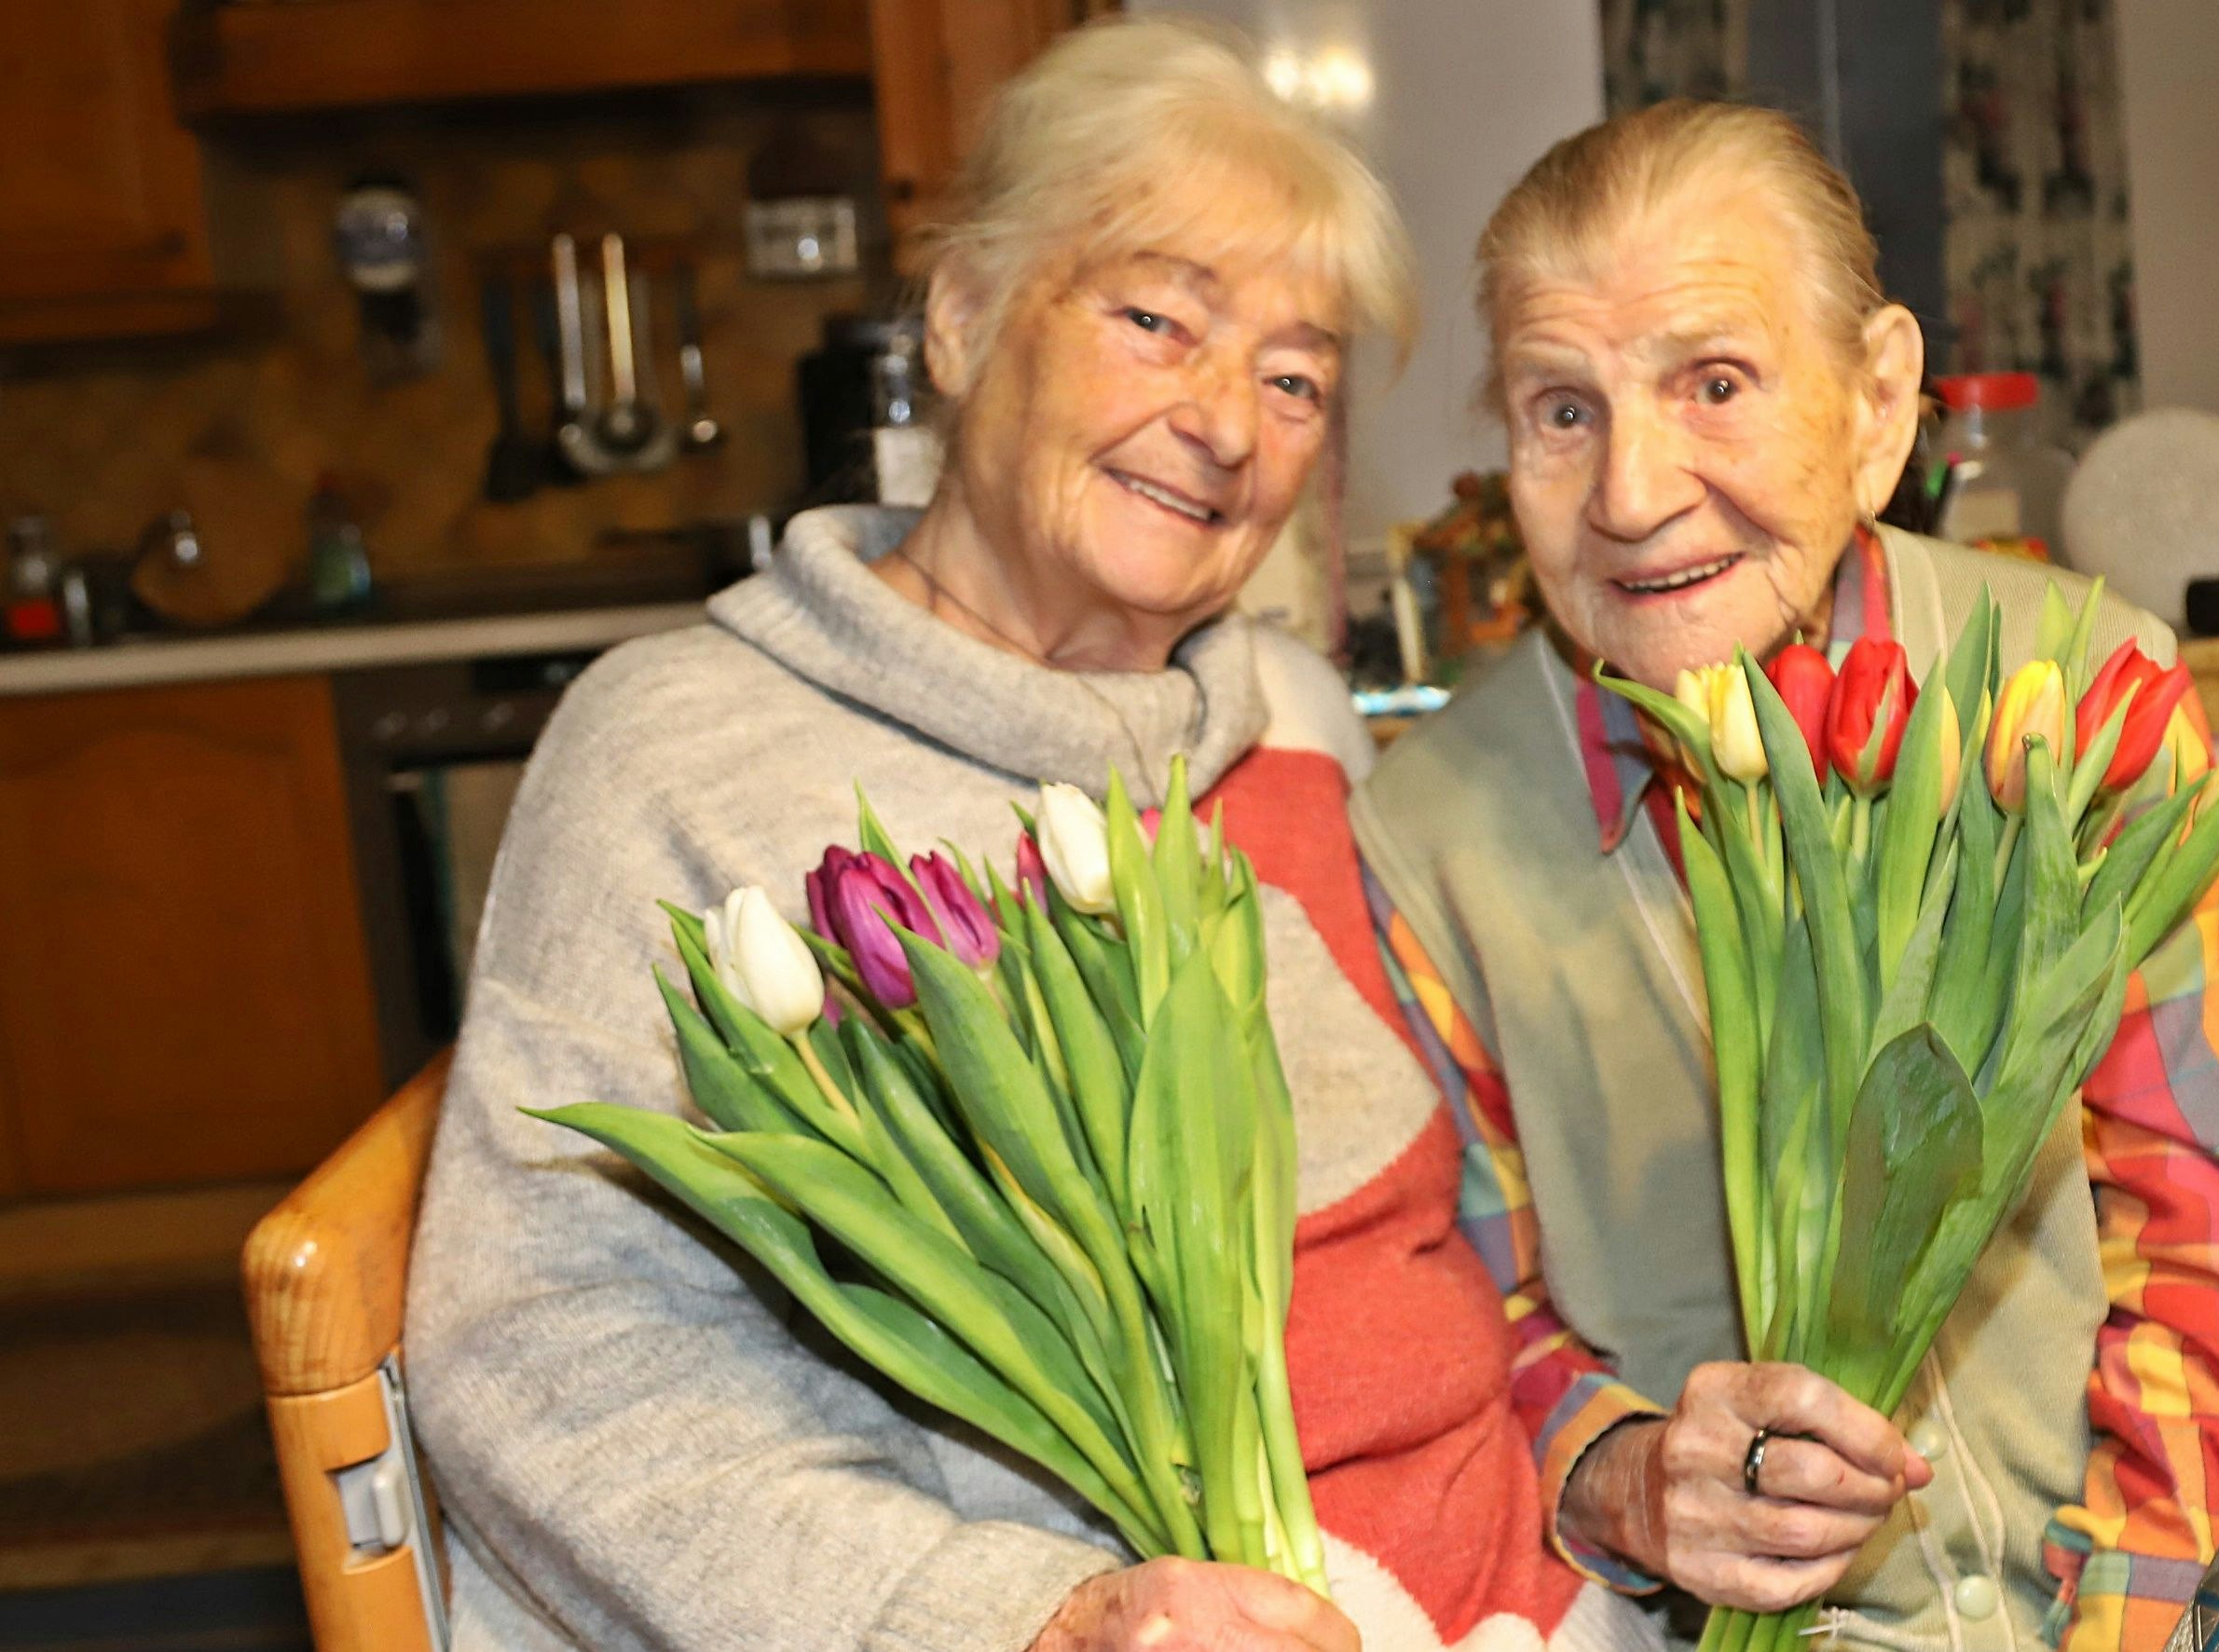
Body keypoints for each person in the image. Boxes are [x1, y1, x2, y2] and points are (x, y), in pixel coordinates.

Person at [407, 27, 1881, 1652]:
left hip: (1543, 1602)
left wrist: (1610, 1468)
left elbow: (1471, 1278)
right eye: (1155, 320)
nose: (1227, 425)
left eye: (1295, 377)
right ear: (963, 319)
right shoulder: (685, 756)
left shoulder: (1292, 743)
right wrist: (1019, 1618)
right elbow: (551, 1356)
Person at [1351, 102, 2219, 1652]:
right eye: (1562, 409)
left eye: (1717, 383)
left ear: (1878, 403)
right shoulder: (1432, 836)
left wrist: (2131, 1634)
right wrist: (1624, 1472)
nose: (1629, 493)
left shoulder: (2071, 694)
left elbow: (2214, 1231)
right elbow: (1481, 1328)